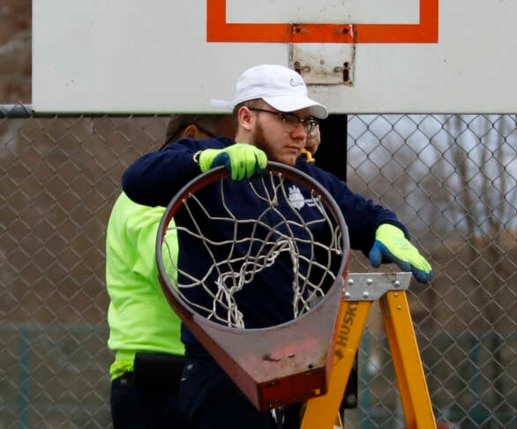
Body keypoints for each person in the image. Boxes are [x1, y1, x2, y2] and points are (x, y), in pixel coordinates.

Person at [121, 64, 432, 429]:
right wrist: (205, 161)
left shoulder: (307, 180)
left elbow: (366, 215)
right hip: (221, 369)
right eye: (287, 119)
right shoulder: (213, 166)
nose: (300, 133)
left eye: (306, 122)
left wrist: (388, 229)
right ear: (247, 117)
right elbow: (138, 179)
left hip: (293, 369)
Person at [105, 114, 236, 429]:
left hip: (198, 372)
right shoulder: (148, 195)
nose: (231, 155)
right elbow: (175, 267)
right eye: (224, 145)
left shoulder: (205, 200)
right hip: (157, 378)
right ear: (190, 137)